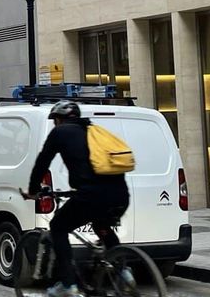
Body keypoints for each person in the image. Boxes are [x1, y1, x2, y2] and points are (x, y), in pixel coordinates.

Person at [26, 101, 130, 297]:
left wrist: (33, 190)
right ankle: (124, 273)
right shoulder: (95, 131)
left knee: (58, 227)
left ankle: (67, 285)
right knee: (102, 226)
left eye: (55, 121)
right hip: (121, 195)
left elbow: (42, 162)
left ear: (59, 119)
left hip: (91, 196)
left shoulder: (60, 133)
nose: (55, 125)